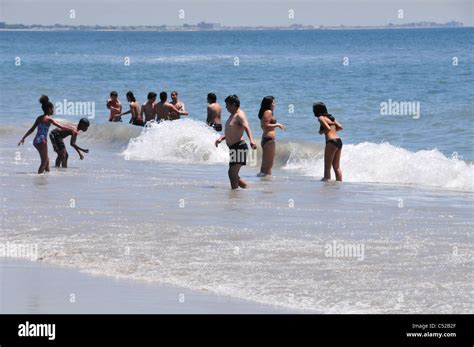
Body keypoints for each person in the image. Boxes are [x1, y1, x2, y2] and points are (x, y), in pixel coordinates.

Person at [18, 95, 68, 174]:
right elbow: (61, 126)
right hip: (42, 141)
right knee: (44, 162)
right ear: (49, 109)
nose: (53, 110)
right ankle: (38, 179)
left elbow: (32, 129)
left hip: (36, 141)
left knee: (46, 161)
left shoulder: (39, 118)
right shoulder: (49, 119)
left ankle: (45, 178)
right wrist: (71, 128)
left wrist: (23, 138)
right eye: (52, 109)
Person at [215, 95, 257, 189]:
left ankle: (234, 194)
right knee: (234, 174)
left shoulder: (239, 115)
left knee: (232, 172)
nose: (226, 107)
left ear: (233, 104)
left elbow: (247, 127)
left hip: (240, 147)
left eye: (227, 105)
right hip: (234, 148)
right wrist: (222, 138)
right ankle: (247, 188)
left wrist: (252, 140)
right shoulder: (232, 115)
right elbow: (233, 131)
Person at [313, 102, 343, 181]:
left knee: (327, 167)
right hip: (339, 141)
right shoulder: (331, 117)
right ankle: (339, 184)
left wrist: (321, 132)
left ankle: (327, 185)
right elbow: (340, 127)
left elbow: (327, 128)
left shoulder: (320, 118)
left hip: (331, 142)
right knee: (337, 167)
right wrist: (333, 129)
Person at [257, 96, 286, 176]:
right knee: (268, 165)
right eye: (273, 102)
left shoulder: (267, 112)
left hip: (267, 139)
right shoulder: (268, 112)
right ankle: (267, 183)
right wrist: (277, 125)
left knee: (266, 164)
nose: (274, 104)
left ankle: (263, 181)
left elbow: (265, 124)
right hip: (268, 140)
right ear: (269, 104)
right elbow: (264, 125)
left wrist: (276, 124)